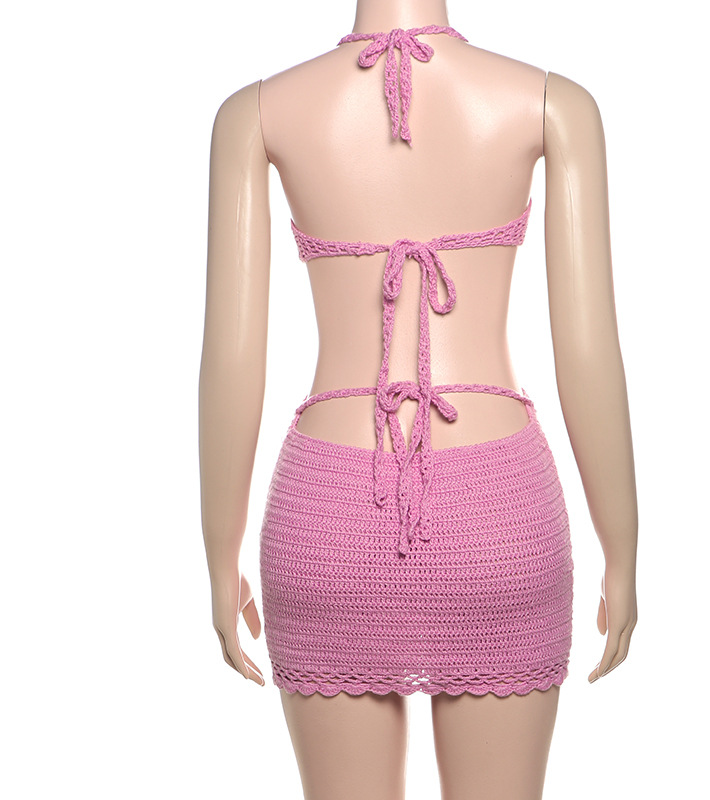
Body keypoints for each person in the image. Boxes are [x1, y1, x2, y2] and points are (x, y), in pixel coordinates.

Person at [198, 1, 638, 797]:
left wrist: (218, 554)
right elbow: (589, 348)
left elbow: (231, 356)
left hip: (327, 519)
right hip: (499, 515)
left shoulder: (255, 113)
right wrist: (624, 546)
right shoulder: (551, 102)